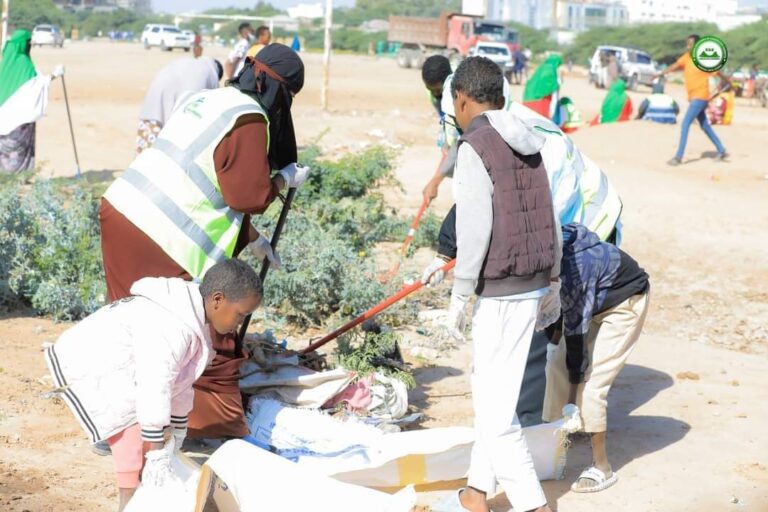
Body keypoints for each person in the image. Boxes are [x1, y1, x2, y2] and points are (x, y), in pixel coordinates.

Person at [99, 44, 309, 447]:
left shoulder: (208, 99)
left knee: (131, 330)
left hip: (123, 211)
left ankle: (120, 423)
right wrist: (284, 178)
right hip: (161, 239)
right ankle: (205, 432)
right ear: (280, 91)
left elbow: (202, 182)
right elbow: (248, 195)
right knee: (199, 334)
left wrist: (253, 239)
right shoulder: (250, 118)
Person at [433, 56, 556, 512]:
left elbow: (474, 229)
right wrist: (555, 279)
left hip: (501, 290)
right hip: (533, 283)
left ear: (462, 100)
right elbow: (551, 215)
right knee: (497, 392)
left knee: (495, 411)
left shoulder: (475, 145)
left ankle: (533, 504)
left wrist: (460, 294)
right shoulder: (531, 141)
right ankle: (475, 492)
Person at [44, 259, 264, 511]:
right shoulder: (172, 325)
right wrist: (158, 451)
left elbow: (181, 381)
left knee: (149, 440)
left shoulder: (195, 322)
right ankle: (130, 503)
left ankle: (135, 498)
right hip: (93, 363)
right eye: (241, 314)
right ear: (217, 299)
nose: (240, 323)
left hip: (123, 368)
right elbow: (155, 384)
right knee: (134, 438)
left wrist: (179, 429)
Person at [423, 72, 623, 244]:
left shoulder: (533, 141)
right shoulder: (484, 135)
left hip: (595, 220)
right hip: (564, 226)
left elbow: (549, 210)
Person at [541, 223, 650, 493]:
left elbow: (576, 335)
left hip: (624, 302)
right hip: (592, 300)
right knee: (555, 367)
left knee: (591, 384)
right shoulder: (540, 255)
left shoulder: (575, 269)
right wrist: (552, 347)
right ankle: (551, 451)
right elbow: (555, 310)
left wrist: (571, 401)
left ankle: (602, 466)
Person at [656, 34, 729, 165]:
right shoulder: (686, 58)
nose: (688, 46)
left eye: (690, 44)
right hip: (694, 97)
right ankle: (722, 150)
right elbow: (674, 66)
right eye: (687, 44)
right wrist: (661, 73)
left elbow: (717, 72)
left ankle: (678, 157)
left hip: (700, 97)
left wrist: (728, 81)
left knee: (685, 124)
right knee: (705, 125)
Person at [0, 29, 63, 173]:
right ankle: (18, 176)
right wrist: (55, 74)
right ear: (24, 44)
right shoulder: (24, 62)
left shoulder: (5, 62)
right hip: (20, 120)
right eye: (29, 43)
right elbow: (38, 84)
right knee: (18, 150)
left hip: (3, 117)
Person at [136, 56, 223, 154]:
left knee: (146, 148)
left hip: (155, 95)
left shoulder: (189, 61)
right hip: (179, 117)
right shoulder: (212, 75)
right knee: (168, 154)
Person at [420, 55, 456, 203]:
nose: (435, 94)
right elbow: (443, 117)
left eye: (438, 90)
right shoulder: (434, 93)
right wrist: (446, 138)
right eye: (430, 89)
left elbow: (462, 142)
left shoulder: (460, 97)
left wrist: (435, 181)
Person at [523, 54, 562, 120]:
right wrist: (557, 84)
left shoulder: (542, 67)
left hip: (528, 96)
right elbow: (549, 84)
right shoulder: (550, 69)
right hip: (539, 100)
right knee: (541, 122)